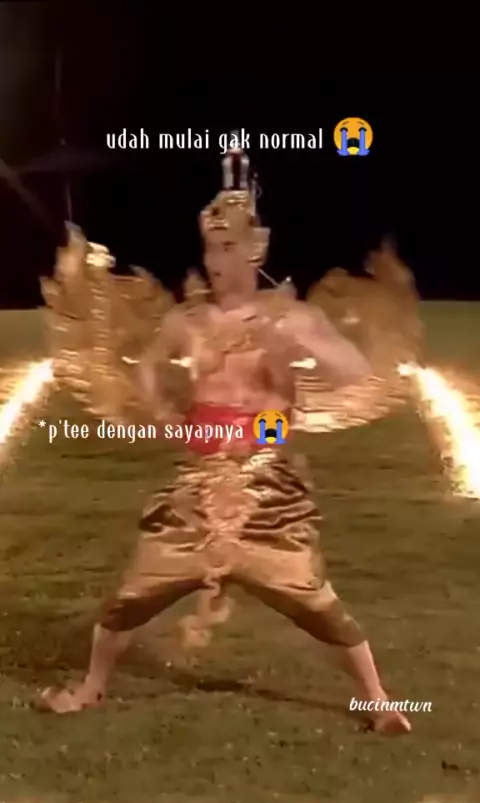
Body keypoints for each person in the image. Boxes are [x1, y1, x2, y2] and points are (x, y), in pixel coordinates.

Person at [40, 148, 411, 734]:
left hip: (267, 488)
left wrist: (296, 351)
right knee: (132, 595)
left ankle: (378, 700)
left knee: (317, 602)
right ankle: (91, 687)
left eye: (230, 247)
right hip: (196, 487)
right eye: (211, 248)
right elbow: (148, 368)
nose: (217, 261)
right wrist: (165, 410)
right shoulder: (189, 321)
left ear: (257, 249)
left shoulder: (289, 318)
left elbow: (355, 370)